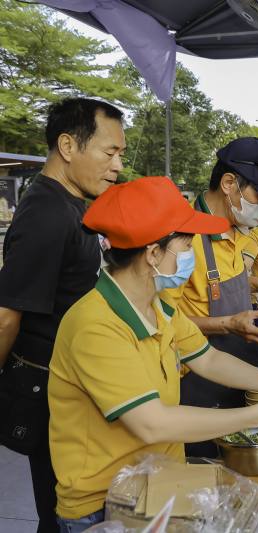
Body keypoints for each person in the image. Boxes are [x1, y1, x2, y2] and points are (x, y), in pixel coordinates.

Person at [48, 177, 258, 532]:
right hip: (105, 504)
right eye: (186, 245)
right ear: (153, 253)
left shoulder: (157, 308)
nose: (191, 255)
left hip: (160, 481)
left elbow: (208, 359)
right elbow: (152, 422)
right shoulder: (94, 325)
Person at [0, 98, 125, 533]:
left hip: (80, 386)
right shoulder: (47, 213)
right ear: (68, 146)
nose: (117, 166)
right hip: (51, 395)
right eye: (110, 153)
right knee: (63, 513)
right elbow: (7, 317)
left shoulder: (77, 205)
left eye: (120, 155)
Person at [164, 137, 258, 458]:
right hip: (194, 386)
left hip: (233, 369)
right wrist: (227, 323)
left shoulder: (234, 229)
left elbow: (220, 279)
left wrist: (257, 283)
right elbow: (162, 322)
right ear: (229, 184)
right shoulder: (181, 241)